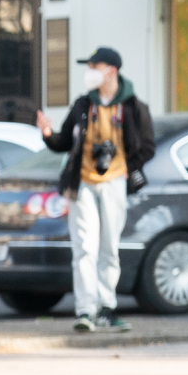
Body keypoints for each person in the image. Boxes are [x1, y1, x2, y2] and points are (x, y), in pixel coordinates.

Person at [38, 46, 155, 333]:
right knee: (84, 248)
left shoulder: (133, 106)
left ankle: (107, 307)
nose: (90, 72)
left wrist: (128, 165)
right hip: (83, 184)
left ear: (111, 71)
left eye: (95, 66)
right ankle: (85, 310)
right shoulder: (82, 104)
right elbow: (65, 141)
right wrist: (47, 134)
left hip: (114, 182)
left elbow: (148, 146)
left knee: (108, 248)